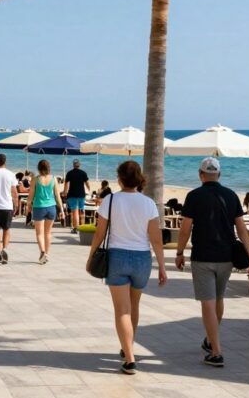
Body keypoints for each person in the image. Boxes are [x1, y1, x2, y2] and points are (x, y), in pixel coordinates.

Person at [87, 160, 168, 375]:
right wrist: (162, 266)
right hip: (142, 258)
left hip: (117, 257)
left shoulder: (110, 200)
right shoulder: (148, 203)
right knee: (134, 306)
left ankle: (129, 358)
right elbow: (156, 239)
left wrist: (90, 256)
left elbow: (99, 233)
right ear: (139, 179)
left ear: (120, 178)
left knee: (122, 310)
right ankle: (128, 347)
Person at [174, 157, 249, 368]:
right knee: (218, 299)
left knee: (207, 303)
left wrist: (179, 252)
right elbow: (242, 229)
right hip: (226, 257)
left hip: (202, 257)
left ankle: (216, 352)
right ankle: (210, 340)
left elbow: (185, 228)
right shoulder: (231, 195)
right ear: (219, 175)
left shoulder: (194, 196)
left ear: (200, 175)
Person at [25, 159, 64, 264]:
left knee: (39, 233)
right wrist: (62, 210)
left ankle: (42, 252)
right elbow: (57, 196)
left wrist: (28, 206)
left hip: (39, 207)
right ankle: (46, 254)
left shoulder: (35, 179)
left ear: (38, 168)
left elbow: (31, 195)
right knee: (48, 233)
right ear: (48, 168)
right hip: (51, 208)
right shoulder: (54, 179)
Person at [62, 159, 90, 234]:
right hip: (81, 194)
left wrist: (65, 192)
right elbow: (87, 184)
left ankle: (75, 228)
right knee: (82, 211)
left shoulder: (69, 173)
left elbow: (66, 184)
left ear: (73, 165)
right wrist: (89, 190)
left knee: (75, 212)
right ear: (79, 165)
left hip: (72, 195)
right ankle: (83, 228)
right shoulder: (83, 173)